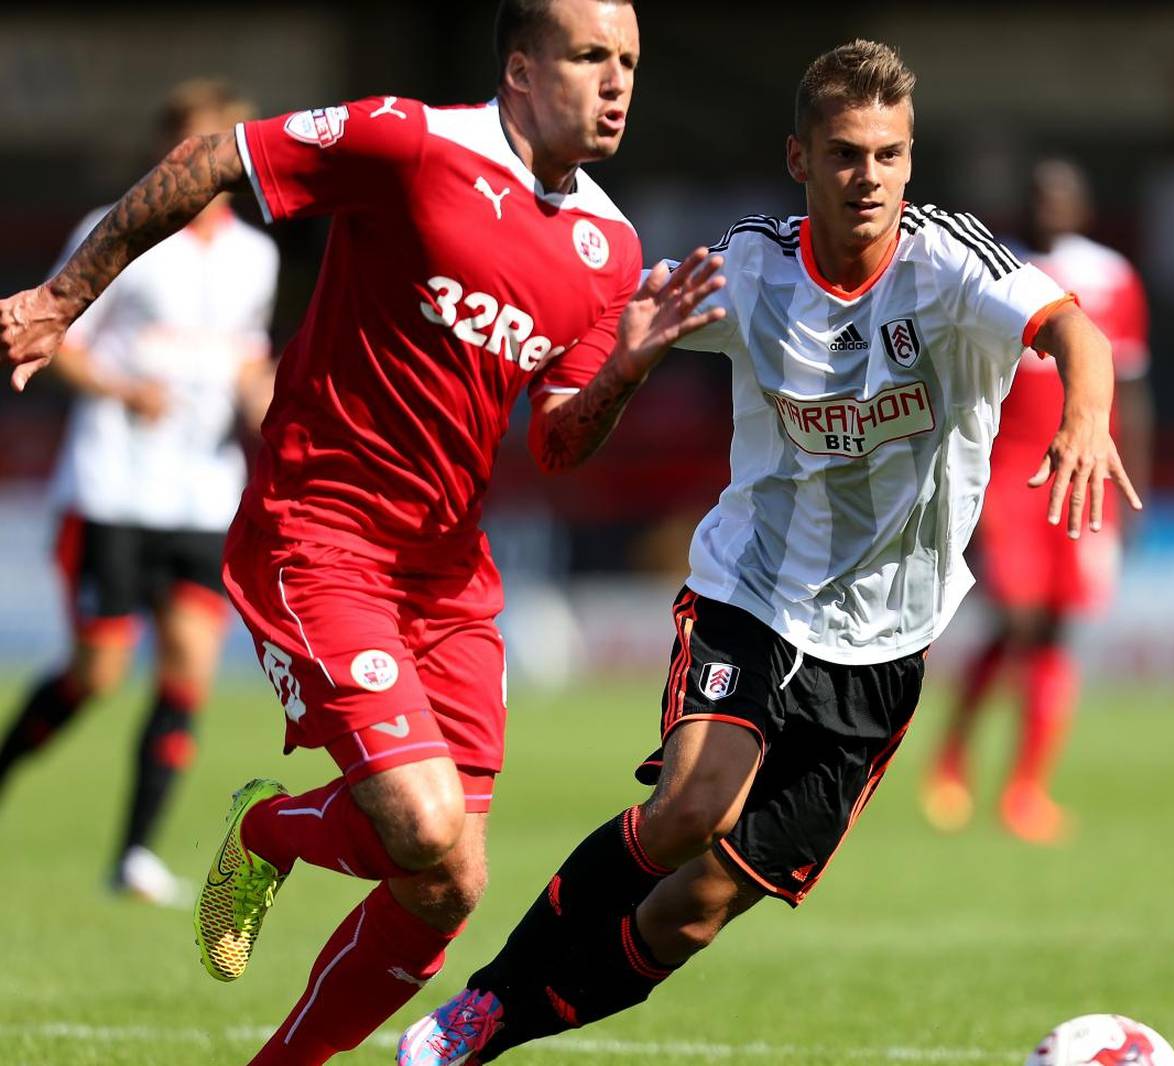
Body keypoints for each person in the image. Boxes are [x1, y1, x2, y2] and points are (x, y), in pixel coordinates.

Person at [0, 1, 724, 1062]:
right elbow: (215, 158)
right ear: (521, 70)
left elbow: (561, 444)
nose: (616, 81)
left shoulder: (607, 246)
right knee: (423, 828)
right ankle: (265, 829)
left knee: (449, 885)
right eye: (588, 56)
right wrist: (63, 300)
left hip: (450, 575)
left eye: (628, 61)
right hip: (320, 533)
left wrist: (622, 366)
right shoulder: (413, 142)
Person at [397, 40, 1140, 1065]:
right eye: (843, 153)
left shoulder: (954, 264)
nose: (866, 176)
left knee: (687, 914)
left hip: (886, 644)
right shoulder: (748, 266)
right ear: (800, 160)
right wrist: (606, 357)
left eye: (887, 154)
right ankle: (483, 1001)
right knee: (687, 810)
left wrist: (1085, 419)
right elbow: (594, 313)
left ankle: (503, 1025)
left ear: (910, 161)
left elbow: (1076, 335)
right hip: (753, 593)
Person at [0, 79, 278, 905]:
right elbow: (59, 338)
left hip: (203, 495)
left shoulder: (252, 257)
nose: (189, 162)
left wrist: (272, 422)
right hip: (115, 485)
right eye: (181, 145)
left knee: (189, 667)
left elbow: (246, 365)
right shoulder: (109, 232)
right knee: (100, 673)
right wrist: (125, 392)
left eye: (206, 148)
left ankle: (133, 855)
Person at [922, 159, 1154, 844]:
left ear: (1083, 208)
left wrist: (1136, 483)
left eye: (1060, 197)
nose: (1047, 206)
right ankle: (954, 755)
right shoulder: (997, 272)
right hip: (1009, 468)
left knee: (1056, 628)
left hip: (1085, 467)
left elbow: (1132, 386)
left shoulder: (1113, 278)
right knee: (1016, 619)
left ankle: (1026, 789)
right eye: (1036, 195)